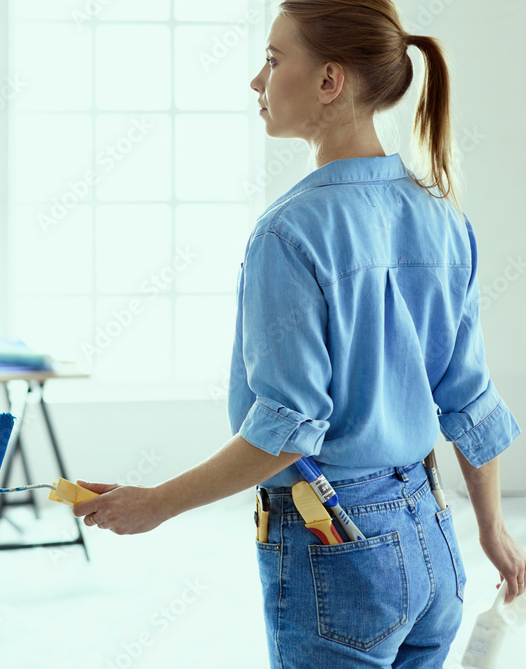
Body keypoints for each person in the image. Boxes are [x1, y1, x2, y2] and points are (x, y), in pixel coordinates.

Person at [72, 1, 525, 666]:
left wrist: (156, 503)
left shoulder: (288, 234)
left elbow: (287, 432)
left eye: (274, 59)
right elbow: (470, 399)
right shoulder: (441, 217)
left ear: (329, 82)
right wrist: (494, 528)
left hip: (339, 550)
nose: (257, 80)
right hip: (433, 542)